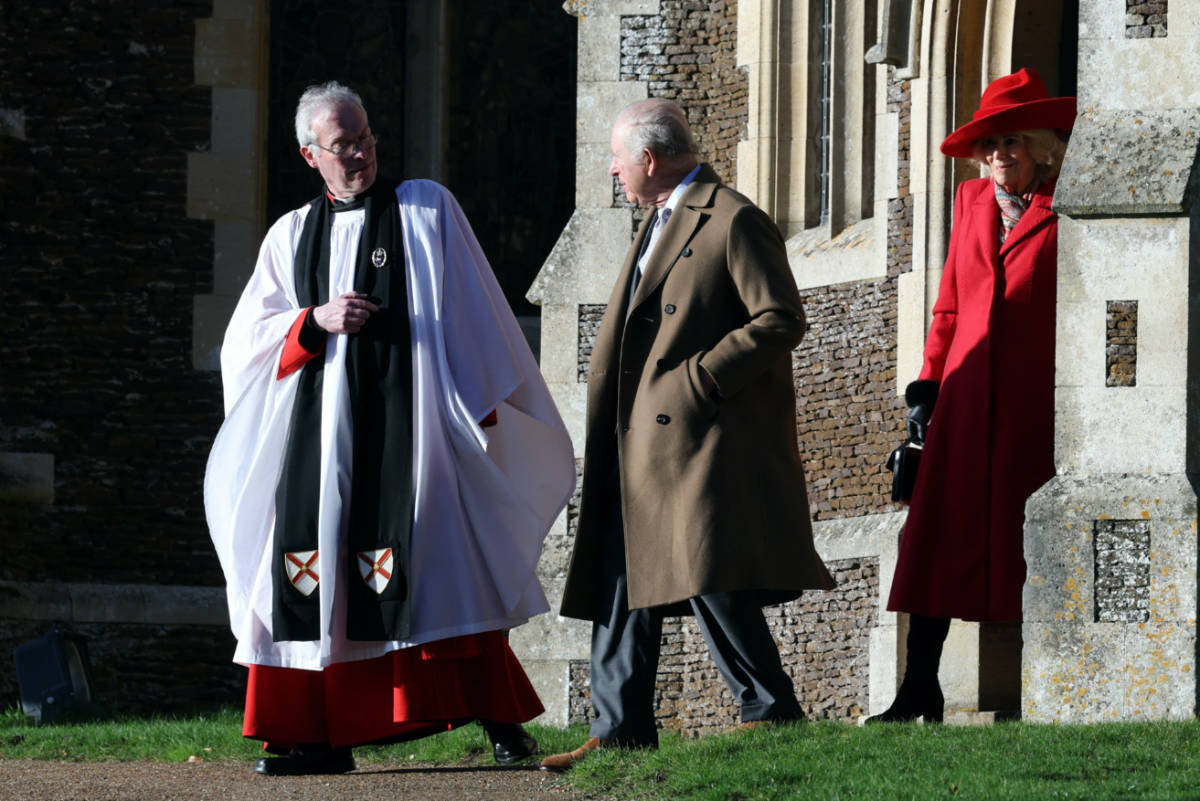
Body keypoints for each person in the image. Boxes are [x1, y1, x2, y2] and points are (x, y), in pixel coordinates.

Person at [204, 81, 575, 774]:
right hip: (320, 444)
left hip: (419, 432)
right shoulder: (290, 235)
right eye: (344, 145)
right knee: (317, 582)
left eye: (367, 138)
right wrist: (312, 320)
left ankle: (503, 727)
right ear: (310, 154)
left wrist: (483, 405)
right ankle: (316, 735)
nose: (362, 154)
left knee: (445, 566)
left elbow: (474, 307)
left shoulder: (424, 209)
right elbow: (243, 346)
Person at [540, 99, 835, 771]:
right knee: (621, 573)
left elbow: (781, 317)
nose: (613, 170)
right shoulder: (658, 220)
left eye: (618, 159)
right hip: (634, 438)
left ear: (648, 158)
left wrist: (700, 379)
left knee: (708, 570)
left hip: (695, 437)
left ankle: (770, 706)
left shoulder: (732, 217)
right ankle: (618, 729)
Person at [869, 68, 1076, 723]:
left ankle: (1057, 687)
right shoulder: (970, 205)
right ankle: (917, 689)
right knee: (934, 537)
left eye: (1009, 142)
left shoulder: (1070, 204)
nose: (996, 157)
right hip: (961, 400)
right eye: (987, 146)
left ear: (1043, 145)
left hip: (1030, 405)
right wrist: (926, 392)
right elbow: (950, 308)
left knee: (1027, 540)